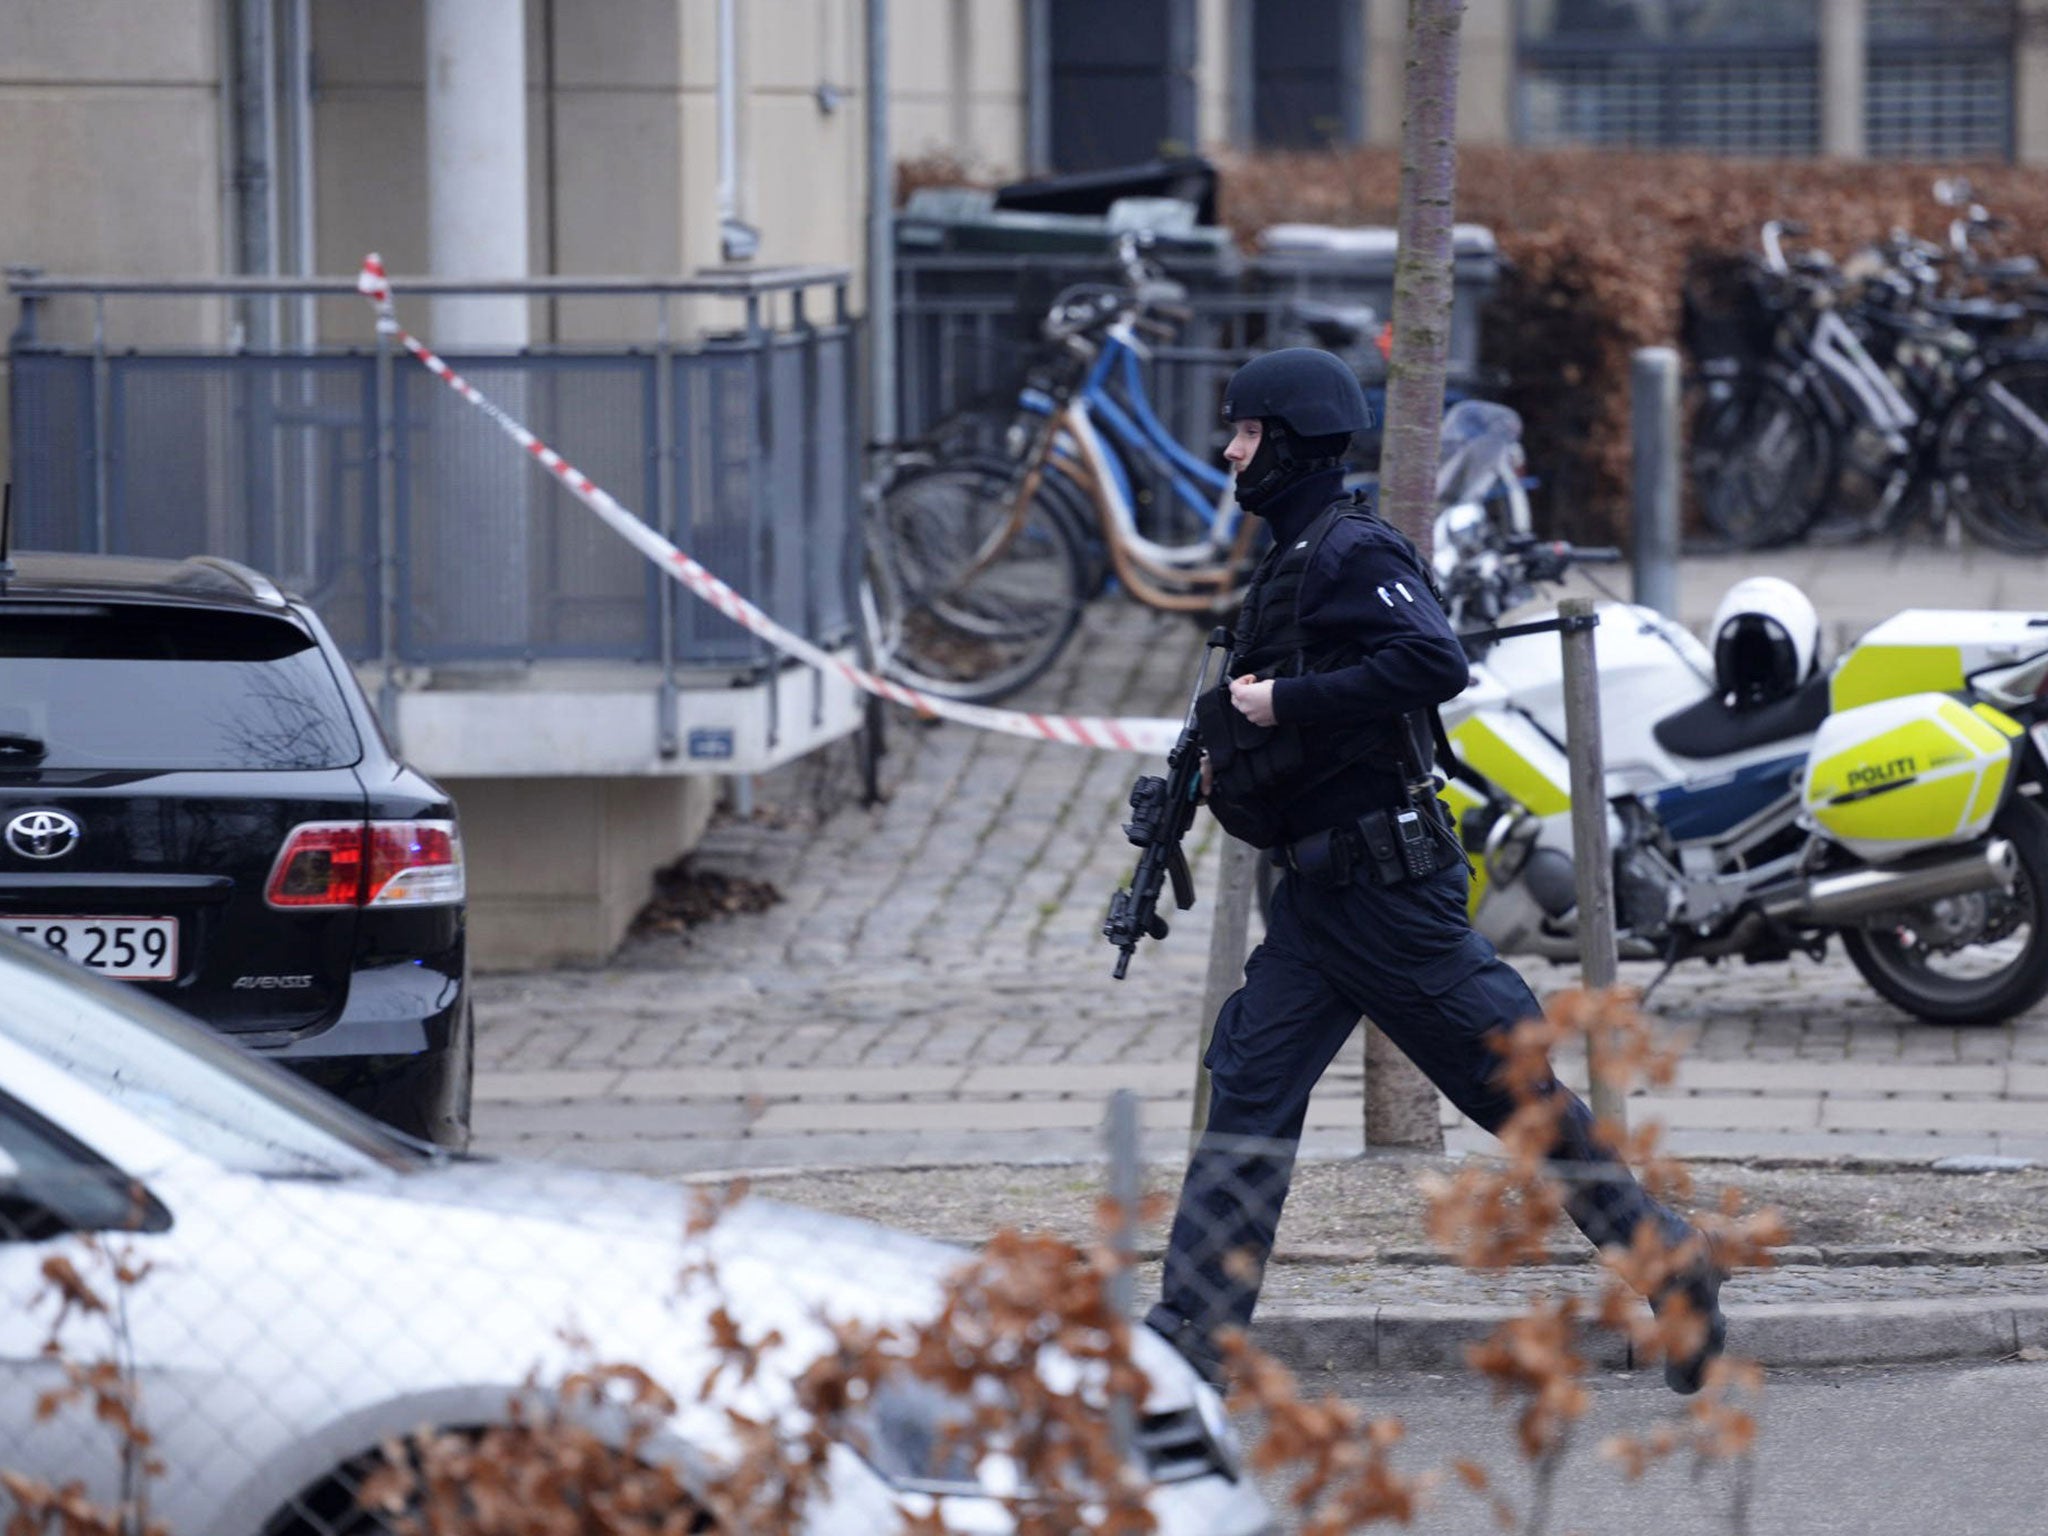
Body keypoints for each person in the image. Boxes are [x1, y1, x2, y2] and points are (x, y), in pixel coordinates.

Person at [1145, 347, 1727, 1395]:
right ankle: (1189, 1335)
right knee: (1247, 1094)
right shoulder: (1291, 557)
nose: (1228, 450)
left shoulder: (1349, 549)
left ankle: (1668, 1264)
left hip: (1390, 902)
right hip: (1319, 903)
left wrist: (1283, 706)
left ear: (1284, 444)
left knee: (1516, 1099)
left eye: (1242, 433)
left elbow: (1430, 660)